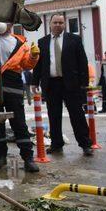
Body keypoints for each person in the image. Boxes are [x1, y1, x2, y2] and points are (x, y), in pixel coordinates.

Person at [0, 22, 40, 172]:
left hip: (12, 87)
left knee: (19, 123)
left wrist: (33, 56)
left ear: (11, 24)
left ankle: (28, 158)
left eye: (7, 21)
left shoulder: (21, 43)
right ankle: (1, 156)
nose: (3, 24)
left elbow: (27, 65)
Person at [31, 14, 94, 156]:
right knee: (54, 115)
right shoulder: (43, 42)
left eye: (61, 22)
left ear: (64, 24)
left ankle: (85, 144)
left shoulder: (74, 40)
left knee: (77, 114)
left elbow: (82, 62)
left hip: (71, 84)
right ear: (50, 24)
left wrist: (84, 83)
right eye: (55, 22)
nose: (58, 25)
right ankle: (56, 144)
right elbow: (39, 64)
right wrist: (35, 81)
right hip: (51, 84)